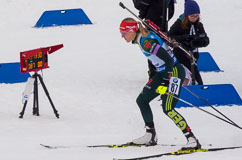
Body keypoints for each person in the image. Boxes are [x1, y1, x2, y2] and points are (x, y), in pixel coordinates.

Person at [119, 17, 201, 150]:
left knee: (168, 108)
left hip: (174, 72)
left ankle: (191, 138)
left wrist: (165, 82)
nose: (122, 37)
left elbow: (168, 60)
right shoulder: (141, 39)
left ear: (131, 31)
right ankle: (150, 135)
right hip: (164, 72)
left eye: (123, 33)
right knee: (142, 100)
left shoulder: (146, 42)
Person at [168, 0, 209, 85]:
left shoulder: (199, 25)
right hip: (181, 53)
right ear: (186, 16)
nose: (195, 18)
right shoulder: (179, 24)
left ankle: (192, 89)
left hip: (193, 55)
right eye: (192, 16)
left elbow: (206, 39)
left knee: (191, 75)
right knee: (187, 75)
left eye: (197, 16)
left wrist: (199, 42)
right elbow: (170, 37)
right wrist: (185, 39)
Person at [133, 0, 176, 79]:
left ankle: (160, 72)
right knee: (154, 44)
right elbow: (142, 3)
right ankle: (155, 72)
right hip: (156, 16)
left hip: (159, 16)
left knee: (157, 44)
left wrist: (142, 14)